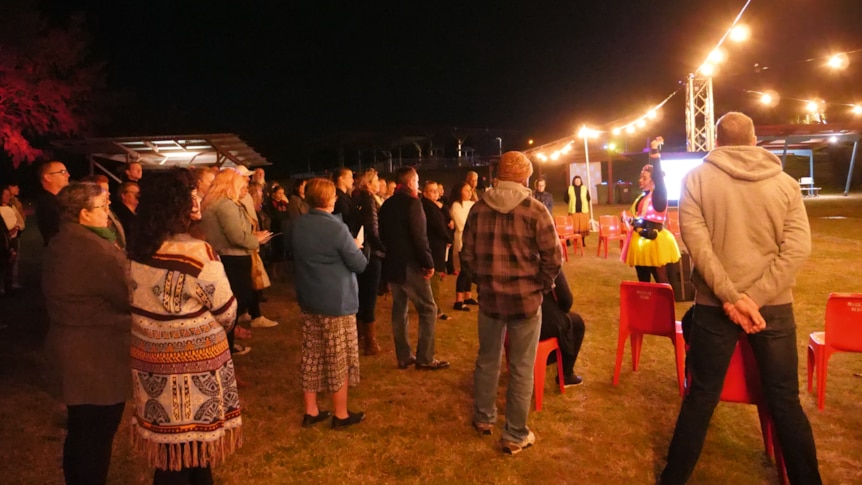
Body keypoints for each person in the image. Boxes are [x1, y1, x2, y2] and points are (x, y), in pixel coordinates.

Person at [659, 112, 821, 484]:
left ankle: (673, 478)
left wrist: (734, 299)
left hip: (717, 308)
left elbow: (698, 250)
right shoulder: (784, 184)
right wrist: (754, 298)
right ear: (754, 140)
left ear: (716, 141)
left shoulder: (696, 179)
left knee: (700, 397)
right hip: (773, 307)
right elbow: (797, 249)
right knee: (784, 399)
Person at [127, 169, 242, 484]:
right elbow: (227, 312)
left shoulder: (138, 248)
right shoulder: (198, 253)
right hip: (192, 370)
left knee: (172, 457)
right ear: (175, 205)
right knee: (190, 453)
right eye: (191, 194)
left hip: (151, 363)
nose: (198, 199)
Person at [461, 151, 562, 455]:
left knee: (488, 359)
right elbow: (553, 258)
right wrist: (541, 286)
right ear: (523, 178)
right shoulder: (535, 210)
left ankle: (484, 417)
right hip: (525, 301)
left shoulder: (478, 209)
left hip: (491, 299)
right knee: (521, 367)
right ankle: (515, 434)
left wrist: (484, 281)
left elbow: (466, 256)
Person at [42, 182, 130, 485]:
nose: (108, 212)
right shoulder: (92, 249)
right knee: (95, 434)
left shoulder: (66, 241)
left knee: (83, 431)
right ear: (83, 214)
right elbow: (128, 294)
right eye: (102, 207)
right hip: (95, 358)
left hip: (79, 353)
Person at [290, 177, 368, 429]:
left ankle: (311, 410)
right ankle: (340, 414)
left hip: (309, 299)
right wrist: (358, 247)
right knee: (338, 359)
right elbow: (359, 264)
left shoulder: (298, 225)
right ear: (326, 198)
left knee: (312, 355)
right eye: (333, 195)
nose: (336, 198)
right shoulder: (336, 228)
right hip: (336, 302)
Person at [379, 166, 449, 371]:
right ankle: (425, 357)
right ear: (410, 183)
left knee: (399, 309)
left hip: (392, 264)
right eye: (417, 182)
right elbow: (420, 237)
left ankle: (403, 356)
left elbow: (382, 235)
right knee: (429, 308)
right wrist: (428, 263)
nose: (418, 186)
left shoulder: (387, 205)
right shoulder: (413, 203)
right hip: (410, 265)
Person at [201, 169, 276, 358]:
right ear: (231, 185)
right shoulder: (226, 205)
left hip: (224, 257)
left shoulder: (213, 203)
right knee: (234, 305)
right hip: (233, 258)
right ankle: (228, 351)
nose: (245, 187)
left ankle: (227, 349)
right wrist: (256, 239)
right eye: (241, 184)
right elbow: (236, 236)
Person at [620, 137, 681, 283]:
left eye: (645, 178)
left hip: (654, 242)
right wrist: (629, 220)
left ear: (654, 180)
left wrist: (654, 151)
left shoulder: (659, 195)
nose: (640, 180)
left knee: (660, 279)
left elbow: (659, 177)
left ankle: (665, 304)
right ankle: (645, 303)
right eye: (640, 177)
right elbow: (642, 218)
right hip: (640, 241)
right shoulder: (643, 196)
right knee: (643, 279)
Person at [352, 169, 386, 355]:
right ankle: (370, 342)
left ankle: (359, 337)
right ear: (368, 183)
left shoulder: (357, 197)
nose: (379, 183)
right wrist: (383, 248)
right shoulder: (368, 200)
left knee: (361, 295)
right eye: (376, 180)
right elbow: (372, 230)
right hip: (371, 254)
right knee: (369, 296)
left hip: (361, 252)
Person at [540, 272, 585, 387]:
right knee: (577, 323)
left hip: (508, 323)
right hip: (537, 323)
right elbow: (566, 301)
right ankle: (566, 374)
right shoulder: (549, 260)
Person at [420, 180, 453, 321]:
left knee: (436, 276)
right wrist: (448, 238)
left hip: (437, 244)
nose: (436, 193)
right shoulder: (427, 206)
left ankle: (433, 306)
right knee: (434, 277)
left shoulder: (434, 205)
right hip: (434, 245)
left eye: (436, 190)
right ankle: (435, 309)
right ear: (425, 193)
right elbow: (439, 226)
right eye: (432, 191)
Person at [449, 181, 476, 311]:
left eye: (470, 190)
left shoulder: (472, 204)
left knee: (470, 270)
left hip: (473, 241)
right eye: (466, 190)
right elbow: (461, 224)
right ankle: (458, 300)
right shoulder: (456, 205)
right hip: (463, 241)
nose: (469, 192)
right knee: (464, 270)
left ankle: (468, 295)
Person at [35, 160, 71, 245]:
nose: (68, 175)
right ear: (48, 177)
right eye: (62, 172)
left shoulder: (57, 200)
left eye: (67, 172)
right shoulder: (48, 204)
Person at [265, 184, 290, 278]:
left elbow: (287, 214)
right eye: (279, 193)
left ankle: (281, 271)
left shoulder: (283, 203)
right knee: (275, 251)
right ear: (274, 193)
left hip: (283, 228)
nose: (281, 195)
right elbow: (274, 215)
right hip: (275, 228)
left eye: (282, 193)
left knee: (282, 250)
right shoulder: (271, 204)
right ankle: (274, 272)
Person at [564, 175, 590, 246]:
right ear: (573, 181)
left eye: (579, 180)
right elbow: (565, 199)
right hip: (573, 212)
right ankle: (568, 240)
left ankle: (582, 241)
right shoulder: (570, 188)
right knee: (571, 227)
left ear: (581, 181)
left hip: (583, 212)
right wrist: (571, 204)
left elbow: (588, 198)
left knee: (582, 228)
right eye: (576, 181)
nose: (577, 182)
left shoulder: (584, 188)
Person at [332, 167, 359, 236]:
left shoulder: (346, 195)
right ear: (341, 179)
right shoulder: (338, 197)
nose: (353, 180)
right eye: (350, 177)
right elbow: (345, 218)